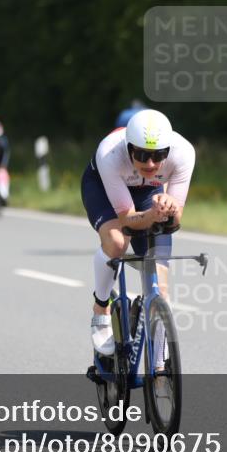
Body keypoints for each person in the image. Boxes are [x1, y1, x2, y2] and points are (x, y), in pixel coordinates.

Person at [81, 109, 195, 355]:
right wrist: (153, 215)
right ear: (129, 147)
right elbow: (128, 221)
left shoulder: (184, 153)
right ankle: (101, 308)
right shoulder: (109, 153)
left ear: (169, 150)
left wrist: (168, 206)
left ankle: (160, 367)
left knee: (160, 290)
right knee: (117, 241)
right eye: (142, 155)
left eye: (158, 156)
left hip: (147, 195)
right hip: (103, 188)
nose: (151, 164)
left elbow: (174, 221)